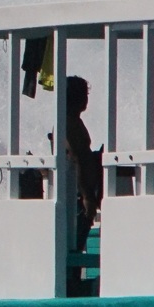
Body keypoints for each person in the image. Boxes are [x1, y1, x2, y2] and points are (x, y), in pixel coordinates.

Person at [63, 75, 103, 250]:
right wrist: (87, 197)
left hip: (80, 192)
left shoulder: (73, 121)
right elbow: (76, 159)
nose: (87, 98)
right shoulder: (69, 123)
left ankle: (74, 276)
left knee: (77, 242)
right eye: (84, 94)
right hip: (78, 195)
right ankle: (72, 277)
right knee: (75, 243)